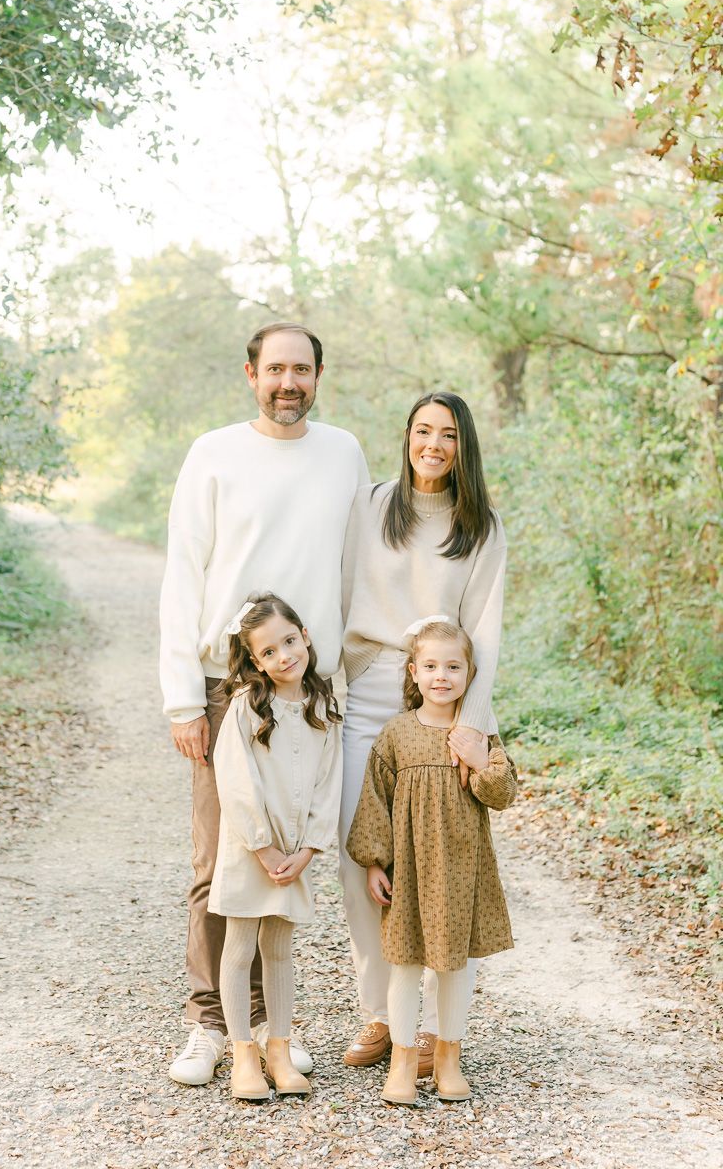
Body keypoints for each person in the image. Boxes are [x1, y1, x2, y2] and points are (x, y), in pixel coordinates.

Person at [160, 322, 369, 1086]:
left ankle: (274, 1032)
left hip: (311, 690)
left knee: (288, 856)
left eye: (302, 369)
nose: (289, 382)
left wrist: (355, 675)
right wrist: (183, 698)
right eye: (275, 368)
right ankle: (211, 1027)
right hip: (229, 689)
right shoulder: (214, 453)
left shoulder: (343, 452)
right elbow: (184, 574)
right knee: (220, 855)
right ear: (251, 374)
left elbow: (356, 568)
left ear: (319, 376)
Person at [339, 391, 507, 1075]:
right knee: (364, 860)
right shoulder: (371, 506)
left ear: (462, 446)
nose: (433, 444)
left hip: (445, 695)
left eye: (447, 435)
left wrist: (472, 727)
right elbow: (335, 589)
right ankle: (381, 1015)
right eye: (422, 431)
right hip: (373, 685)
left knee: (443, 864)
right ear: (406, 436)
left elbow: (486, 632)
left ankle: (440, 1030)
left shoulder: (482, 526)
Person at [346, 617, 516, 1105]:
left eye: (454, 666)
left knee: (454, 966)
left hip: (462, 867)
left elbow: (503, 794)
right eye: (431, 666)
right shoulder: (397, 733)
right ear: (414, 672)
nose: (442, 676)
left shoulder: (476, 731)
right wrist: (374, 863)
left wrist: (481, 758)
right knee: (404, 962)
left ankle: (447, 1057)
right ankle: (401, 1062)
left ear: (470, 673)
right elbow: (374, 800)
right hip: (410, 870)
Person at [209, 594, 342, 1100]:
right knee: (241, 948)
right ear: (256, 661)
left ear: (305, 636)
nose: (284, 656)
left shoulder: (324, 706)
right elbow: (236, 781)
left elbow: (330, 783)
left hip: (294, 852)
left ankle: (280, 1050)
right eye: (269, 652)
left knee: (281, 950)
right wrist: (263, 848)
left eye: (289, 641)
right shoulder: (247, 706)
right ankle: (243, 1052)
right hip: (252, 850)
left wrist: (308, 850)